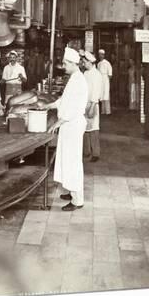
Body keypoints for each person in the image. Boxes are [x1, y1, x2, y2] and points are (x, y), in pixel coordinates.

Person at [43, 47, 88, 211]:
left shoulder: (79, 80)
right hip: (69, 125)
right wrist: (50, 105)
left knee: (73, 161)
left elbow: (73, 108)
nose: (63, 66)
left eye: (64, 63)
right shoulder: (74, 78)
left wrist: (58, 122)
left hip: (73, 124)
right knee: (68, 160)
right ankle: (72, 191)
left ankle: (77, 200)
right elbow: (64, 100)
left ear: (72, 63)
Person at [82, 51, 102, 162]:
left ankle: (96, 153)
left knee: (93, 128)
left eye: (85, 62)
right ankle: (86, 151)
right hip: (85, 103)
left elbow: (96, 92)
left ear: (90, 62)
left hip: (92, 103)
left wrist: (92, 106)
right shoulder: (85, 73)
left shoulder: (97, 74)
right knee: (85, 128)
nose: (83, 64)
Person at [97, 49, 113, 115]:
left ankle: (108, 111)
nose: (100, 56)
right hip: (100, 79)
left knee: (106, 94)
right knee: (101, 94)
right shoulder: (98, 64)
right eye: (99, 54)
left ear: (104, 55)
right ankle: (103, 111)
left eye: (102, 54)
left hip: (105, 79)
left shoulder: (107, 63)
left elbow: (110, 74)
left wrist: (107, 80)